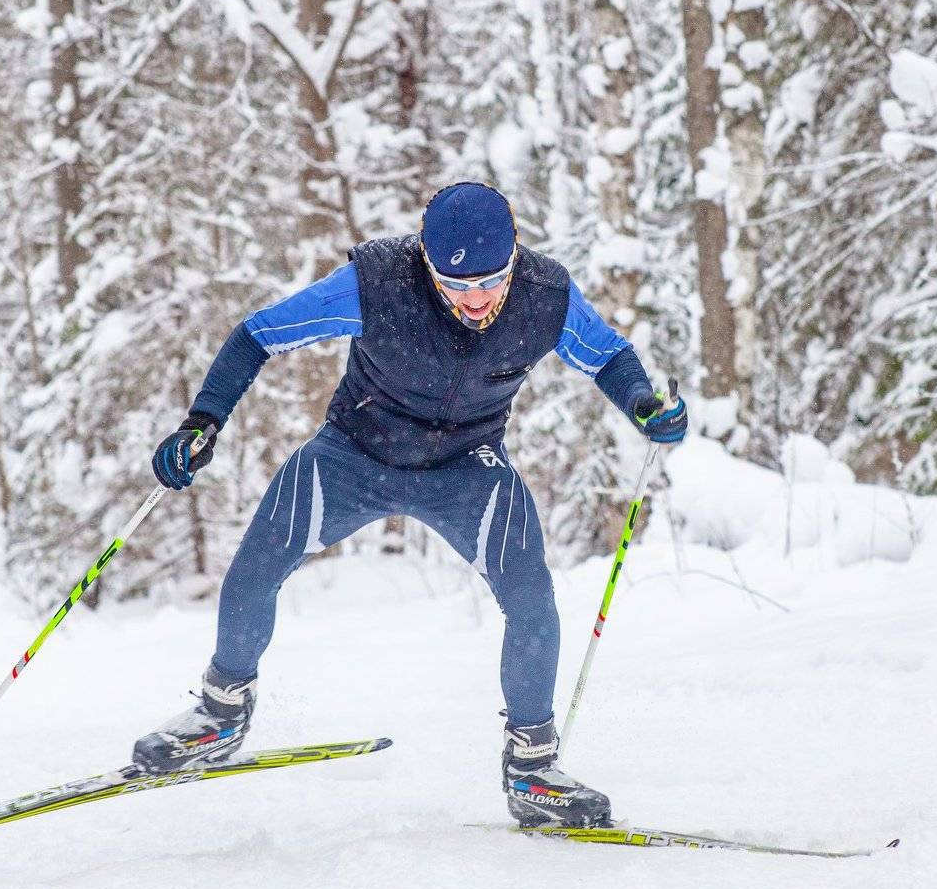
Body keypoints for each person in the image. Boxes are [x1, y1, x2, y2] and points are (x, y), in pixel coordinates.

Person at [135, 182, 686, 827]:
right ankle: (221, 714)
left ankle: (532, 768)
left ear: (514, 259)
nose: (476, 300)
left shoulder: (545, 296)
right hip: (354, 453)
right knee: (257, 566)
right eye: (457, 285)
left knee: (531, 597)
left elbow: (609, 357)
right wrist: (202, 423)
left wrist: (643, 406)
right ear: (427, 263)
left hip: (466, 465)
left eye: (491, 282)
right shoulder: (377, 283)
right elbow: (258, 335)